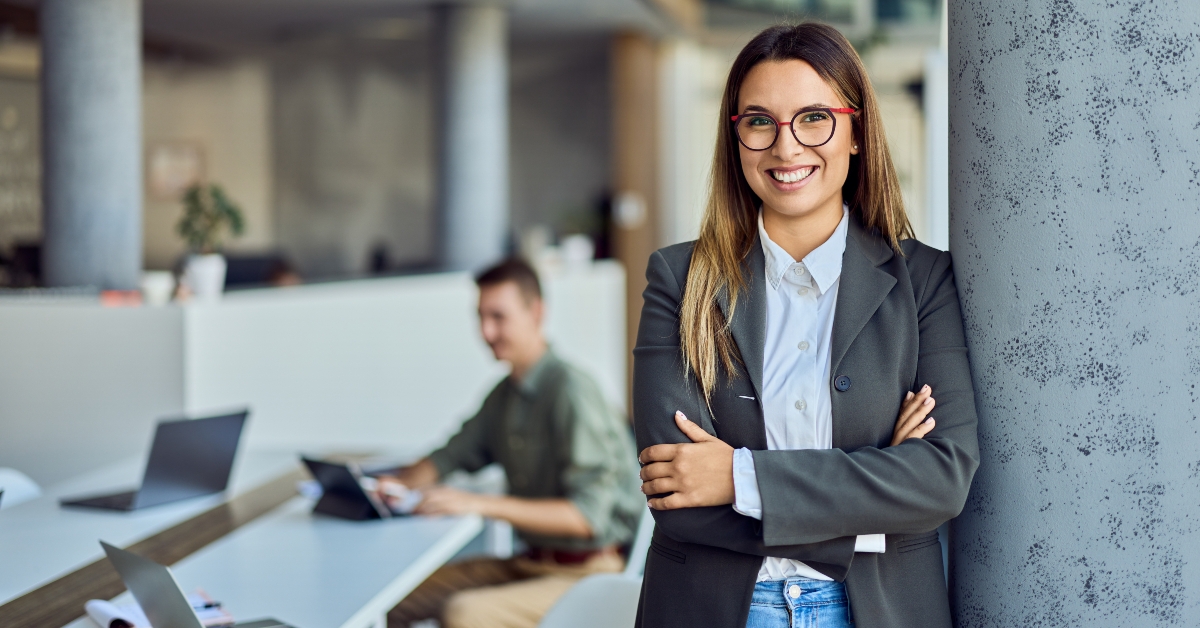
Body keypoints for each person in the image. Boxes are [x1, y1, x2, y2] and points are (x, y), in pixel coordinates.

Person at [631, 23, 979, 628]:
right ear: (736, 138)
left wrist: (736, 476)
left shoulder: (924, 280)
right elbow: (677, 494)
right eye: (759, 121)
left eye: (814, 118)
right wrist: (876, 498)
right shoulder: (679, 279)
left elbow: (941, 479)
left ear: (856, 132)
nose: (786, 147)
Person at [384, 257, 643, 628]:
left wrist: (476, 503)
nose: (486, 331)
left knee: (464, 613)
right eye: (480, 317)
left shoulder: (571, 390)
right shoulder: (504, 396)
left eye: (498, 317)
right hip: (529, 562)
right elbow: (448, 457)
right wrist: (393, 484)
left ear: (536, 313)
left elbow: (586, 517)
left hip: (588, 572)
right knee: (396, 597)